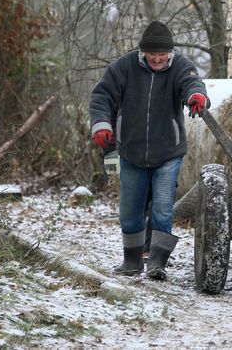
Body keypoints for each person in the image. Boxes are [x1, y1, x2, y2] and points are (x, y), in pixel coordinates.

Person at [89, 21, 209, 281]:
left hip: (168, 151)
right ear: (142, 52)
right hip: (131, 150)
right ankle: (131, 261)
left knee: (163, 209)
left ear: (170, 53)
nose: (157, 58)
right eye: (152, 53)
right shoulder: (124, 67)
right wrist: (100, 125)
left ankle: (157, 264)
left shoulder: (180, 67)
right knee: (130, 209)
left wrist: (197, 96)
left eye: (162, 54)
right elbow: (101, 97)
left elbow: (192, 84)